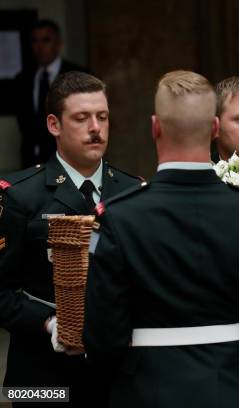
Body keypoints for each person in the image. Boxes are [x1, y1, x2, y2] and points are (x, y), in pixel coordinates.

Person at [82, 70, 239, 408]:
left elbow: (103, 338)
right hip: (234, 389)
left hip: (145, 392)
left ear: (155, 127)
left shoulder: (121, 217)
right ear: (213, 128)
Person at [0, 71, 141, 406]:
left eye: (102, 117)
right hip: (40, 376)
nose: (96, 128)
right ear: (54, 125)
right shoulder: (19, 195)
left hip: (116, 374)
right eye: (82, 118)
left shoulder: (133, 190)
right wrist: (48, 323)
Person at [13, 19, 88, 168]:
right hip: (32, 161)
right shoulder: (23, 79)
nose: (39, 47)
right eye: (35, 41)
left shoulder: (77, 75)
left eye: (46, 40)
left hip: (68, 158)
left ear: (59, 43)